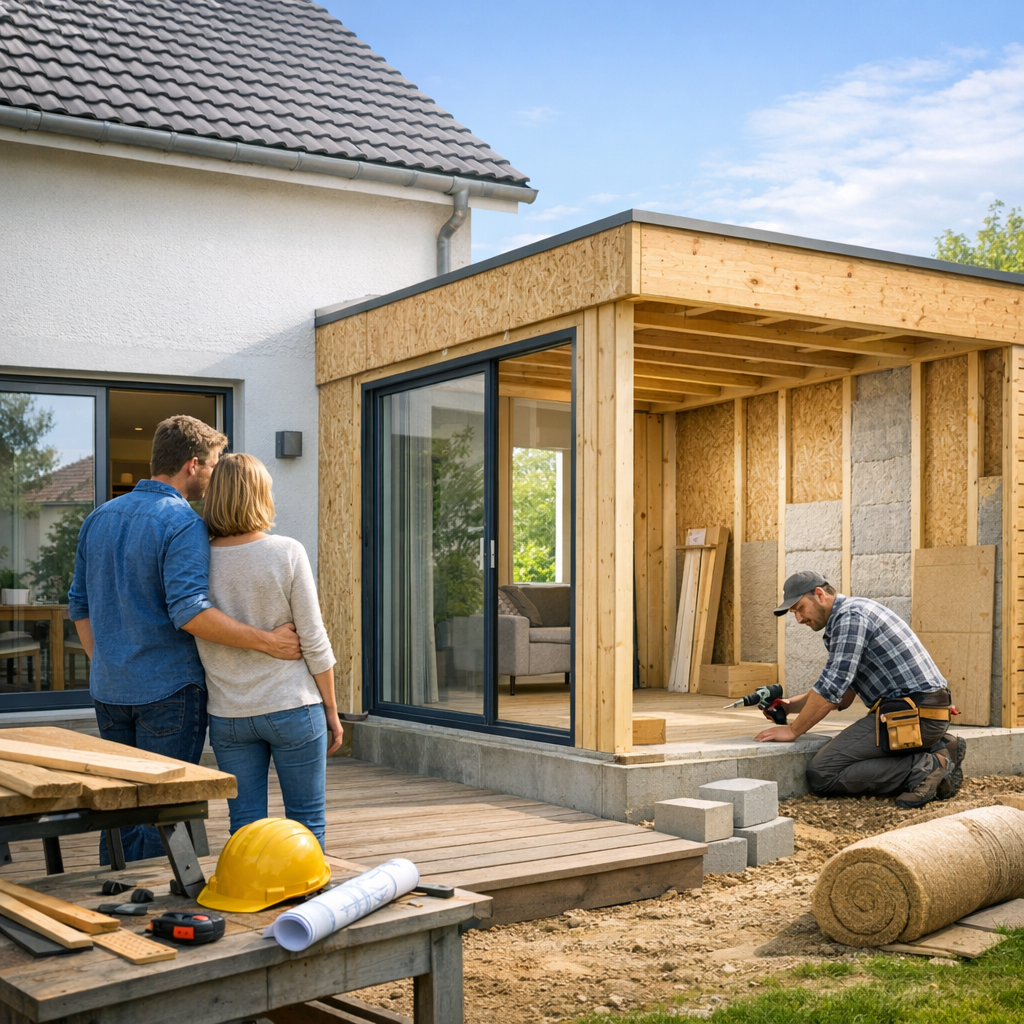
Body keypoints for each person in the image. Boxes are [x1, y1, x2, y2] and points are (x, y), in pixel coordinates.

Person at [69, 416, 302, 862]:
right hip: (170, 693)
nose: (215, 477)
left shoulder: (98, 518)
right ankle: (152, 907)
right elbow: (191, 611)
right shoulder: (182, 523)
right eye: (215, 466)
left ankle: (111, 892)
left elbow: (78, 605)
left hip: (110, 690)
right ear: (192, 465)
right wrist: (267, 642)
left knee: (117, 804)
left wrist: (108, 661)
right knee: (164, 808)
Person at [195, 453, 341, 849]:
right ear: (260, 495)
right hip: (293, 707)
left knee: (245, 829)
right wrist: (330, 707)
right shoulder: (286, 551)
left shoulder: (196, 559)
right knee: (307, 824)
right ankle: (308, 907)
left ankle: (253, 903)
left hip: (229, 715)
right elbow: (313, 637)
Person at [754, 570, 965, 809]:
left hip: (913, 717)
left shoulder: (850, 618)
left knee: (822, 772)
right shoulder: (852, 613)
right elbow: (842, 695)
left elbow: (831, 688)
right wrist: (790, 706)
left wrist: (793, 730)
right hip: (921, 712)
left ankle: (927, 767)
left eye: (800, 609)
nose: (799, 619)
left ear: (819, 594)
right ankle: (942, 746)